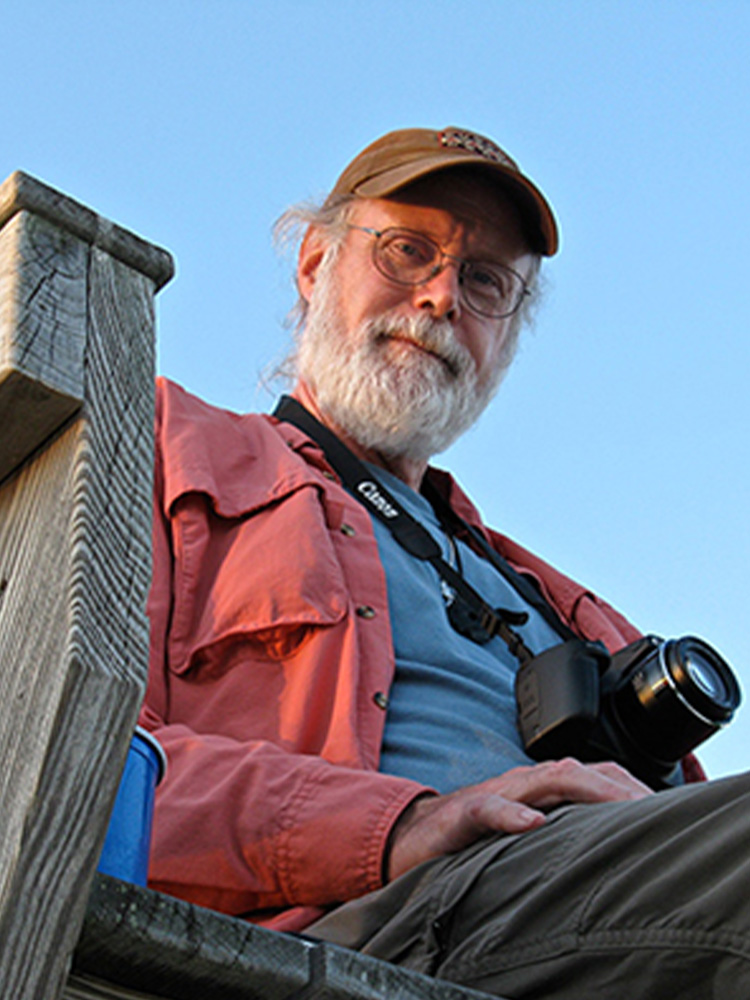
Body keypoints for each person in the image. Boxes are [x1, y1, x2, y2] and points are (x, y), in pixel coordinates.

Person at [140, 126, 750, 999]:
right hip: (352, 934)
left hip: (605, 919)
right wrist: (402, 824)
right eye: (407, 251)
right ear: (314, 264)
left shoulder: (573, 607)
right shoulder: (172, 446)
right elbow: (77, 755)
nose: (440, 298)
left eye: (485, 282)